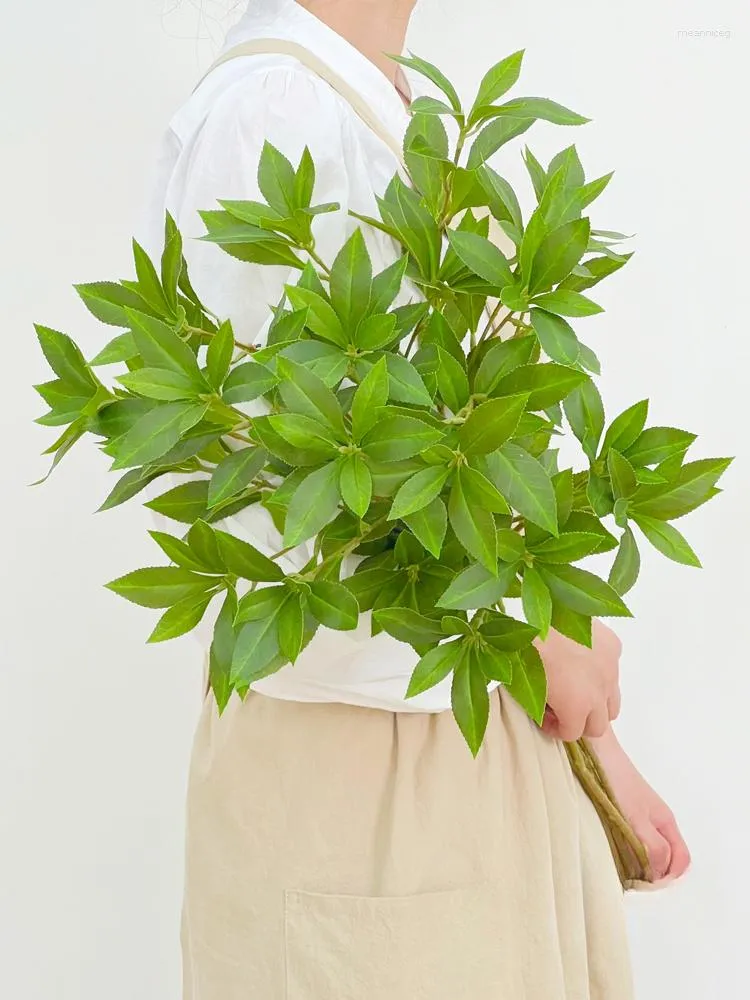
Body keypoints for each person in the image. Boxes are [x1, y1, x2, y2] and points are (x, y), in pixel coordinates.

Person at [136, 1, 690, 996]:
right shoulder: (276, 113)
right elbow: (289, 496)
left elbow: (454, 464)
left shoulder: (377, 96)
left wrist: (594, 737)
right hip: (361, 767)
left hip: (463, 744)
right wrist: (535, 634)